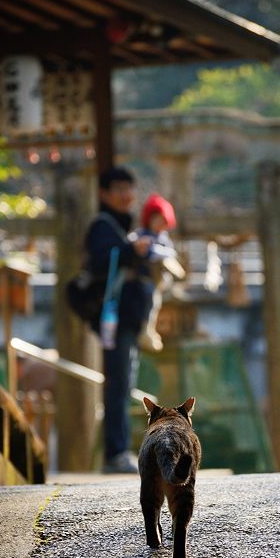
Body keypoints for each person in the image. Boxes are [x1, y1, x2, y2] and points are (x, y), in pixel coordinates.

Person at [85, 167, 177, 473]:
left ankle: (119, 449)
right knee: (118, 383)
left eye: (129, 188)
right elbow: (99, 261)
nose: (126, 195)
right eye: (119, 188)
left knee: (124, 382)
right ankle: (116, 452)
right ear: (104, 193)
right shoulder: (103, 226)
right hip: (117, 317)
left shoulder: (123, 226)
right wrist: (128, 250)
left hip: (127, 318)